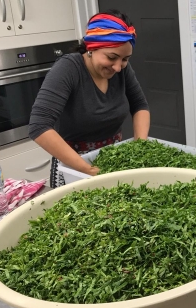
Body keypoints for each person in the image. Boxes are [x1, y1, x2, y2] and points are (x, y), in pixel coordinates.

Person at [29, 10, 150, 188]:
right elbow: (39, 126)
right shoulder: (68, 69)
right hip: (75, 166)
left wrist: (140, 148)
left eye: (125, 59)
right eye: (112, 57)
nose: (118, 67)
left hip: (116, 159)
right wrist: (89, 170)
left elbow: (140, 106)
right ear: (91, 47)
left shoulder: (121, 69)